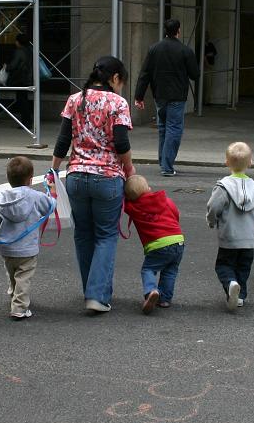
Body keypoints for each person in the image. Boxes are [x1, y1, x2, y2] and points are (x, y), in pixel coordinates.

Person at [52, 56, 135, 314]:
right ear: (115, 78)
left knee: (83, 234)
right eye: (122, 81)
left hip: (76, 176)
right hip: (108, 177)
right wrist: (130, 169)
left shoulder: (75, 100)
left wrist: (54, 169)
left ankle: (91, 288)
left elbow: (63, 139)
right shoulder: (118, 103)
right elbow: (121, 143)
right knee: (106, 235)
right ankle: (97, 295)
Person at [0, 156, 55, 321]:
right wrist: (52, 193)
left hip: (7, 248)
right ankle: (19, 307)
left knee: (12, 273)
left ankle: (14, 295)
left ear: (9, 179)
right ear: (30, 179)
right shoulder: (35, 197)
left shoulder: (1, 198)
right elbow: (50, 206)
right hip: (27, 248)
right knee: (23, 277)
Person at [134, 18, 199, 176]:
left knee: (163, 128)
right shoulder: (185, 51)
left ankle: (163, 161)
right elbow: (194, 74)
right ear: (178, 31)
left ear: (165, 31)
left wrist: (139, 96)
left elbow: (144, 74)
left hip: (159, 95)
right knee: (174, 129)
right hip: (177, 95)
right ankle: (167, 166)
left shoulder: (154, 49)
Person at [206, 141, 254, 312]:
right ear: (250, 162)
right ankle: (240, 296)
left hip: (229, 236)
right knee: (243, 268)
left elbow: (213, 206)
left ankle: (230, 283)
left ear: (227, 162)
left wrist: (211, 220)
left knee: (223, 265)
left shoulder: (223, 187)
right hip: (248, 238)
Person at [123, 174, 185, 314]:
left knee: (148, 269)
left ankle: (151, 291)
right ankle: (165, 299)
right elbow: (176, 214)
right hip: (178, 240)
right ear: (149, 188)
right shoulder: (165, 200)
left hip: (158, 245)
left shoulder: (133, 207)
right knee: (170, 270)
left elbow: (121, 205)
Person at [4, 32, 34, 122]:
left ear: (18, 42)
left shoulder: (19, 51)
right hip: (28, 77)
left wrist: (6, 67)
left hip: (20, 78)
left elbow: (13, 65)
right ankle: (27, 120)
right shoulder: (29, 50)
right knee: (24, 99)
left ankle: (26, 121)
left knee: (21, 100)